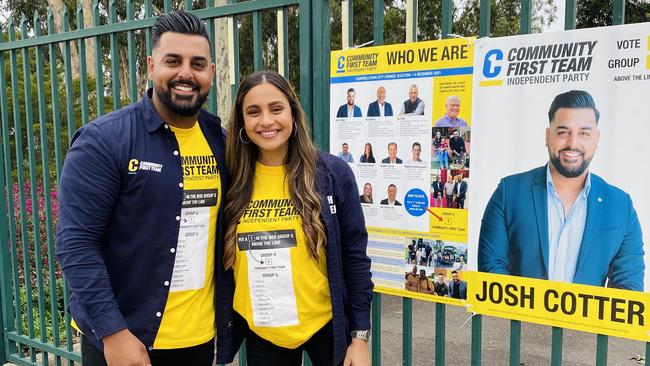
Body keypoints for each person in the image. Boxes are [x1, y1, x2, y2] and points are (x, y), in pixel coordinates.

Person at [56, 12, 226, 366]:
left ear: (211, 71)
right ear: (151, 66)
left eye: (197, 64)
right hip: (124, 340)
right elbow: (76, 244)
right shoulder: (104, 141)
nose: (185, 74)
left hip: (196, 341)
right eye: (172, 61)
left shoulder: (219, 141)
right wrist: (113, 333)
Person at [223, 70, 372, 365]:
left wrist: (359, 338)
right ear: (242, 122)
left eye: (276, 109)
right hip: (263, 331)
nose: (266, 121)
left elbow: (355, 256)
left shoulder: (331, 173)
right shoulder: (231, 179)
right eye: (253, 112)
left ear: (293, 111)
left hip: (326, 326)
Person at [478, 90, 644, 290]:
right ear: (548, 136)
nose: (573, 143)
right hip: (518, 320)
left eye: (584, 133)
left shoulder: (620, 206)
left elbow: (628, 290)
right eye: (563, 132)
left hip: (586, 322)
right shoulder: (508, 193)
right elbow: (491, 269)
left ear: (596, 138)